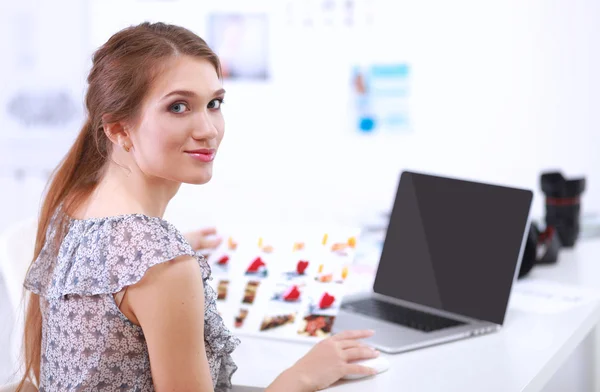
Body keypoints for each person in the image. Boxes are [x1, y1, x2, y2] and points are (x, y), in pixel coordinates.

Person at [17, 22, 380, 392]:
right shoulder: (159, 264)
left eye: (214, 103)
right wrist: (301, 376)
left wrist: (163, 257)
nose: (207, 129)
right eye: (178, 107)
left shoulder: (77, 202)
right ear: (119, 129)